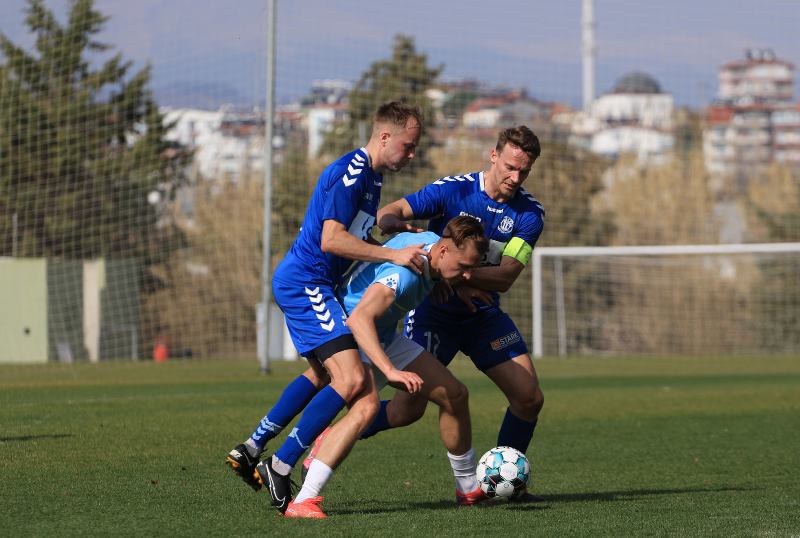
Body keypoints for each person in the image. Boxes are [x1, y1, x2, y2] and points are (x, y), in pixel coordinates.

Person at [226, 102, 426, 513]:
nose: (411, 155)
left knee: (323, 374)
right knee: (351, 378)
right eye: (407, 146)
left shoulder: (372, 178)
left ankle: (252, 447)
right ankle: (280, 465)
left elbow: (353, 235)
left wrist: (391, 239)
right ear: (384, 137)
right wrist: (393, 255)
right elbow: (331, 240)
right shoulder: (352, 171)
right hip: (307, 284)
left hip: (314, 285)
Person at [363, 126, 546, 501]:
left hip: (482, 316)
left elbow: (506, 276)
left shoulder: (530, 214)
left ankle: (501, 483)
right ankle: (328, 440)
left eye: (524, 171)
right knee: (405, 410)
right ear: (493, 156)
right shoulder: (453, 190)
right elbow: (390, 212)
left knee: (529, 397)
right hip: (433, 313)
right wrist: (395, 227)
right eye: (510, 167)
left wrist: (457, 277)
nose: (515, 178)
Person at [285, 216, 489, 518]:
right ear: (444, 251)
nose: (468, 275)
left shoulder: (432, 245)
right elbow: (360, 319)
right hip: (354, 336)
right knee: (365, 409)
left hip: (383, 334)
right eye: (463, 267)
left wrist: (447, 283)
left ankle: (468, 488)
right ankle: (303, 500)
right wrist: (390, 371)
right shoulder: (403, 275)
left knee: (455, 395)